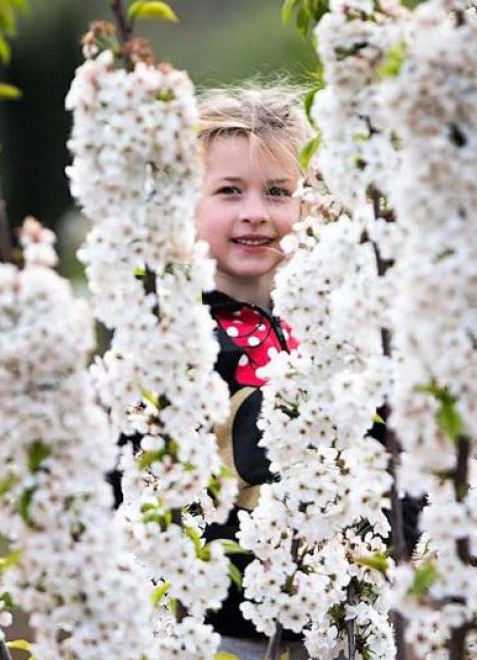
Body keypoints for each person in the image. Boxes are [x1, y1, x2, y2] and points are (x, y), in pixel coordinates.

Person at [194, 85, 313, 659]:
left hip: (336, 623)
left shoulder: (331, 327)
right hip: (221, 630)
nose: (255, 213)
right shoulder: (173, 338)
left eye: (277, 192)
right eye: (229, 191)